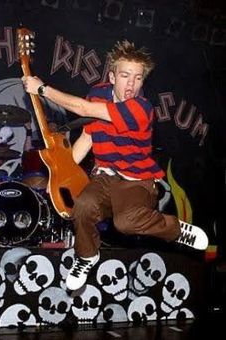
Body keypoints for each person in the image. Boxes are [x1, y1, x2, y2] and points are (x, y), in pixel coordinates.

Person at [22, 40, 209, 291]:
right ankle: (87, 256)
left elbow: (82, 108)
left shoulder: (140, 109)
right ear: (112, 76)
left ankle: (177, 230)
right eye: (125, 76)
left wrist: (42, 89)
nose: (131, 85)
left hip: (137, 181)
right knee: (83, 206)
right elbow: (88, 136)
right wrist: (59, 177)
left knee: (125, 223)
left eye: (138, 78)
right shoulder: (98, 93)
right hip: (105, 177)